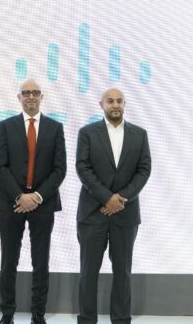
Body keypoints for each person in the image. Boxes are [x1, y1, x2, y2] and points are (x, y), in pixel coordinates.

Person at [75, 88, 151, 324]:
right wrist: (107, 198)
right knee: (88, 272)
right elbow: (83, 168)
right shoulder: (87, 133)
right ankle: (87, 320)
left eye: (119, 101)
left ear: (125, 104)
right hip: (92, 214)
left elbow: (144, 170)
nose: (115, 105)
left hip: (125, 214)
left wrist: (121, 199)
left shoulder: (140, 134)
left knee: (123, 272)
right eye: (110, 101)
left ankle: (120, 320)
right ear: (102, 104)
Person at [0, 80, 66, 324]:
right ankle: (7, 315)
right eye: (26, 93)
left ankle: (38, 315)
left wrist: (36, 197)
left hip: (43, 204)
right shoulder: (6, 126)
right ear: (19, 97)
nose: (31, 96)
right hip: (11, 203)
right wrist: (19, 196)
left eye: (35, 93)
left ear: (42, 96)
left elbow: (59, 169)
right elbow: (0, 166)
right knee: (8, 261)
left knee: (41, 262)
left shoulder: (55, 128)